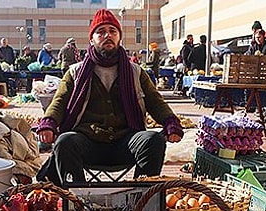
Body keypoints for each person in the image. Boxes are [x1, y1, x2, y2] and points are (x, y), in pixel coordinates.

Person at [35, 8, 184, 186]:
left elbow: (155, 101)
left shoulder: (136, 72)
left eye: (112, 31)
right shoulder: (75, 72)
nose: (108, 35)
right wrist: (49, 123)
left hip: (126, 141)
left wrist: (170, 123)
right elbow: (59, 101)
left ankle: (141, 200)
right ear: (92, 39)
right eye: (101, 32)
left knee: (153, 140)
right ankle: (77, 202)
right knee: (65, 141)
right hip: (87, 143)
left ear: (119, 37)